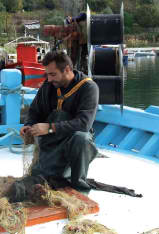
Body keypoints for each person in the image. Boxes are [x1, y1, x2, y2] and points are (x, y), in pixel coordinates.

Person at [20, 51, 99, 193]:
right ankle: (53, 176)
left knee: (82, 139)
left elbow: (84, 124)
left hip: (73, 141)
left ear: (67, 69)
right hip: (51, 141)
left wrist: (50, 128)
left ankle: (79, 188)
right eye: (47, 75)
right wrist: (28, 125)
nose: (49, 79)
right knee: (39, 180)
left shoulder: (89, 88)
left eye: (53, 74)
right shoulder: (48, 86)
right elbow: (35, 111)